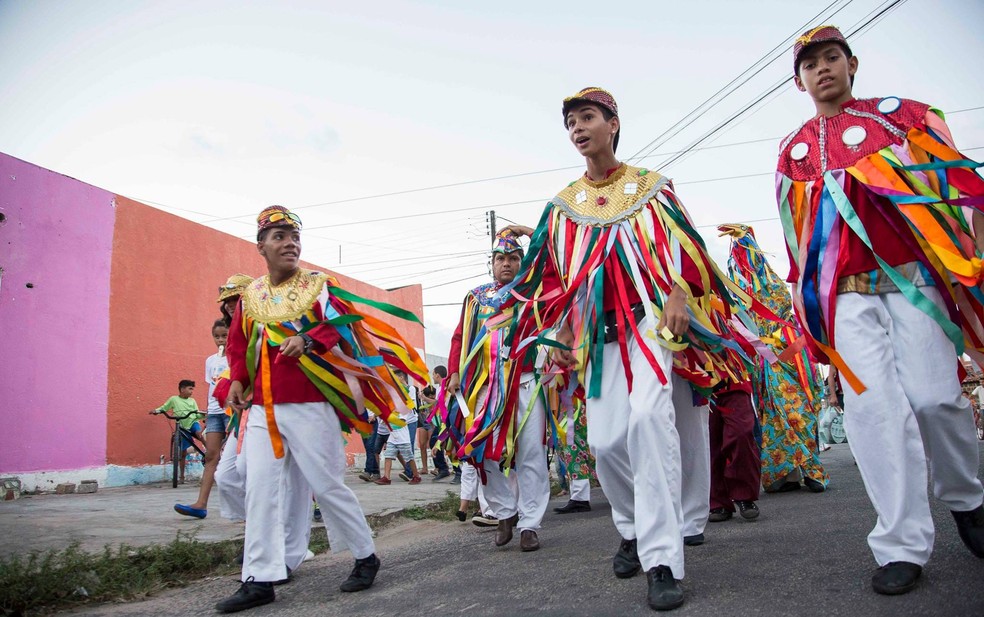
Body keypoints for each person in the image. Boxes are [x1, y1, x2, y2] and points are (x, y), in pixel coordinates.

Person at [498, 87, 751, 611]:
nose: (578, 129)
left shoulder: (652, 189)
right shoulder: (564, 207)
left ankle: (663, 559)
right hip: (597, 338)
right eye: (571, 123)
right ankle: (633, 526)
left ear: (613, 124)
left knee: (647, 423)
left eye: (587, 117)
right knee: (608, 444)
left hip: (650, 328)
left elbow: (689, 249)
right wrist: (561, 333)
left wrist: (679, 294)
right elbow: (549, 279)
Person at [776, 25, 984, 595]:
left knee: (936, 396)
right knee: (873, 414)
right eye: (810, 64)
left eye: (832, 57)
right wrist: (804, 301)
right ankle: (900, 542)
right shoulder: (794, 152)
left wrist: (974, 253)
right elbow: (798, 239)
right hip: (842, 295)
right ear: (799, 80)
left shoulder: (905, 118)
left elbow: (961, 187)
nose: (822, 69)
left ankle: (967, 497)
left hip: (914, 280)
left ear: (852, 63)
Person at [216, 205, 427, 613]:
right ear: (261, 245)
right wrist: (238, 381)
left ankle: (365, 555)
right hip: (262, 410)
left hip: (313, 407)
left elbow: (343, 324)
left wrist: (311, 340)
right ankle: (260, 577)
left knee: (327, 485)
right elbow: (239, 348)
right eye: (278, 236)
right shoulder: (251, 296)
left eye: (294, 236)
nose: (290, 243)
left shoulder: (318, 285)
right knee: (259, 489)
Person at [448, 232, 551, 552]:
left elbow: (554, 262)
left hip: (525, 385)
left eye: (514, 258)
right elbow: (459, 338)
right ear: (491, 263)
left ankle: (530, 525)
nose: (507, 263)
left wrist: (532, 233)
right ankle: (504, 512)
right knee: (485, 452)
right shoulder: (476, 298)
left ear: (522, 262)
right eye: (500, 259)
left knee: (531, 454)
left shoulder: (532, 293)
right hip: (486, 390)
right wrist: (453, 372)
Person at [719, 224, 829, 492]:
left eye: (742, 252)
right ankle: (788, 473)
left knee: (793, 410)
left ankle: (809, 470)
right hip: (769, 358)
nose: (741, 261)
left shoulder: (757, 287)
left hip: (784, 355)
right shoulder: (743, 289)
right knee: (777, 411)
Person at [173, 319, 232, 519]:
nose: (220, 340)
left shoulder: (236, 357)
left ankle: (246, 505)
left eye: (225, 335)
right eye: (217, 336)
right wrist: (207, 412)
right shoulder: (210, 361)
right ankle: (201, 504)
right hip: (215, 412)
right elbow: (212, 387)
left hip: (232, 411)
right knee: (211, 456)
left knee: (239, 458)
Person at [212, 274, 253, 522]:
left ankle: (274, 539)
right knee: (226, 476)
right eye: (226, 300)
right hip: (242, 415)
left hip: (264, 409)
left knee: (250, 472)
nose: (230, 304)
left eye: (236, 299)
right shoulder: (232, 336)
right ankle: (256, 532)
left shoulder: (265, 328)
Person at [707, 382, 762, 523]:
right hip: (701, 383)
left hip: (734, 379)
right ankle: (717, 502)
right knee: (710, 442)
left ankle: (744, 495)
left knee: (741, 434)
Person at [155, 379, 203, 485]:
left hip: (193, 422)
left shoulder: (192, 401)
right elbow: (164, 407)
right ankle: (181, 476)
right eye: (190, 389)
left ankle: (209, 452)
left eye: (192, 389)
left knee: (200, 434)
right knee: (183, 452)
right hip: (181, 426)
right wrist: (156, 411)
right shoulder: (174, 399)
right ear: (182, 389)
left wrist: (203, 414)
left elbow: (197, 414)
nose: (192, 391)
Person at [374, 407, 422, 485]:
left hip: (403, 439)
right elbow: (383, 422)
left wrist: (387, 416)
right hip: (392, 438)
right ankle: (386, 477)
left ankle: (416, 476)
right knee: (388, 456)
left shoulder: (403, 410)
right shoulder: (389, 412)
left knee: (409, 458)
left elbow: (401, 422)